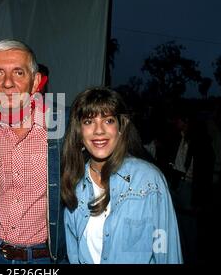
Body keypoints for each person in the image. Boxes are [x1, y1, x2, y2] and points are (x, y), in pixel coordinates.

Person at [0, 39, 67, 264]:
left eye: (19, 73)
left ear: (35, 81)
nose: (8, 83)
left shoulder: (66, 127)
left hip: (46, 259)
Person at [61, 87, 182, 264]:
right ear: (79, 132)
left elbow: (166, 252)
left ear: (120, 127)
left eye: (108, 120)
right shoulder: (74, 183)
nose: (99, 130)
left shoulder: (148, 180)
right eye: (88, 122)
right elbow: (73, 253)